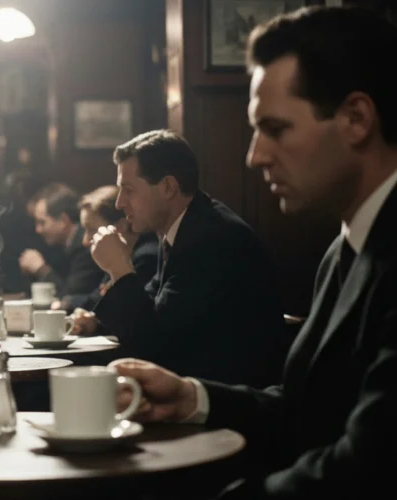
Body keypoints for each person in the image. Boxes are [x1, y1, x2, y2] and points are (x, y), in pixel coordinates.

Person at [110, 6, 397, 498]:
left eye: (276, 128)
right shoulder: (343, 249)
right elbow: (306, 411)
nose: (255, 155)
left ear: (356, 118)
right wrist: (189, 397)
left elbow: (371, 466)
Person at [90, 129, 287, 386]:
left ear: (168, 187)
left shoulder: (211, 237)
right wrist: (95, 322)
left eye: (128, 190)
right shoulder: (183, 228)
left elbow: (155, 347)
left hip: (230, 401)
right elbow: (152, 306)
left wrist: (119, 268)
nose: (119, 203)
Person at [64, 185, 159, 334]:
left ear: (120, 226)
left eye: (92, 229)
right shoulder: (122, 254)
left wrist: (95, 322)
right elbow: (95, 300)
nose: (84, 241)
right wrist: (93, 321)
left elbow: (138, 322)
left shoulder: (146, 257)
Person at [20, 183, 104, 299]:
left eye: (42, 222)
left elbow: (70, 297)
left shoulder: (84, 246)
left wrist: (41, 269)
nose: (38, 230)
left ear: (63, 220)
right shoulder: (59, 246)